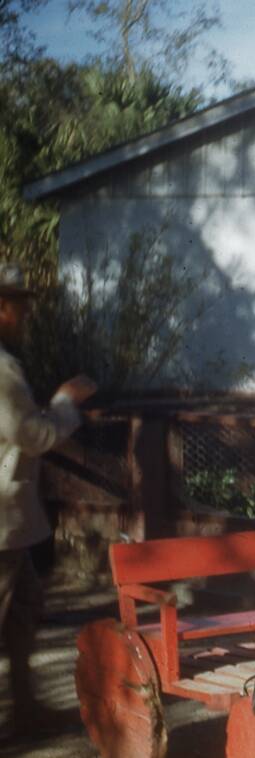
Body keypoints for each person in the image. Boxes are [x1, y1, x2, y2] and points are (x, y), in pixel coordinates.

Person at [0, 263, 96, 732]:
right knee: (15, 610)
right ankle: (24, 712)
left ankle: (26, 709)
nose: (24, 318)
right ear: (3, 308)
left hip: (11, 520)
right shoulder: (1, 368)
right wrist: (65, 401)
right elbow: (32, 434)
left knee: (25, 609)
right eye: (20, 308)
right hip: (2, 522)